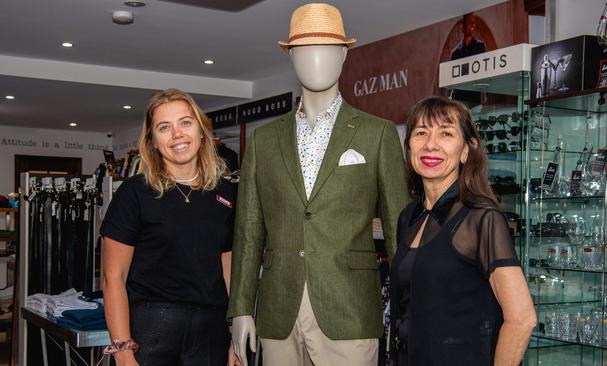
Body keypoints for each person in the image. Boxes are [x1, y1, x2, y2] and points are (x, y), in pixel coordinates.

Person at [228, 3, 410, 366]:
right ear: (291, 56)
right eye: (306, 49)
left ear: (343, 55)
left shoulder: (377, 134)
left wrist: (409, 310)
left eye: (327, 49)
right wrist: (241, 308)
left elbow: (398, 230)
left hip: (350, 310)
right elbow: (249, 231)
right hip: (279, 310)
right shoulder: (264, 141)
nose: (316, 59)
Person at [390, 97, 536, 365]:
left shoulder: (482, 218)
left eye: (446, 133)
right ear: (409, 145)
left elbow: (522, 319)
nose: (430, 144)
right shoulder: (408, 217)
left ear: (466, 151)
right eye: (421, 133)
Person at [101, 88, 239, 366]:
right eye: (164, 127)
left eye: (185, 123)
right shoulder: (134, 193)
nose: (177, 134)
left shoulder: (226, 194)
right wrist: (124, 351)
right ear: (152, 141)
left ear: (202, 131)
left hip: (210, 330)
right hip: (152, 329)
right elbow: (112, 277)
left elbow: (229, 272)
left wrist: (234, 336)